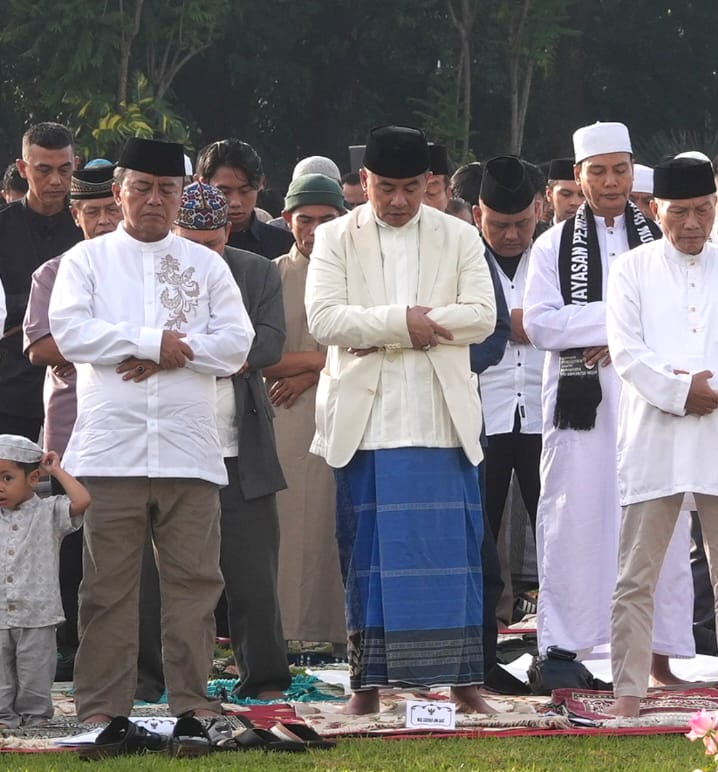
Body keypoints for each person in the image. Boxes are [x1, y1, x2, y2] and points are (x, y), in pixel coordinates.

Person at [49, 137, 254, 722]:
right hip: (111, 450)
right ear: (118, 193)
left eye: (167, 190)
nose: (154, 201)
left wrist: (173, 354)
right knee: (107, 589)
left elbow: (237, 346)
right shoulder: (85, 261)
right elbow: (71, 334)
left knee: (195, 586)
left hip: (189, 450)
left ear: (183, 196)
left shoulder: (205, 264)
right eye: (142, 188)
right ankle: (100, 710)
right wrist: (148, 341)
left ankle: (192, 704)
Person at [305, 125, 497, 715]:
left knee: (454, 557)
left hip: (441, 419)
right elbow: (325, 321)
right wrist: (404, 326)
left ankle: (466, 687)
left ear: (429, 184)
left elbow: (483, 317)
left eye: (411, 188)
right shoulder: (334, 237)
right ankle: (366, 693)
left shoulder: (460, 235)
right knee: (369, 556)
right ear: (363, 182)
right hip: (366, 424)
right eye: (385, 187)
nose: (397, 200)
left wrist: (387, 330)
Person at [523, 122, 695, 674]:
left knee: (658, 523)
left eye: (620, 169)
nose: (611, 181)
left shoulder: (662, 240)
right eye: (597, 171)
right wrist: (620, 329)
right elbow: (543, 325)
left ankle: (660, 655)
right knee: (577, 518)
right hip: (584, 406)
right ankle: (571, 645)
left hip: (650, 399)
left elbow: (681, 313)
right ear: (579, 177)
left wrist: (615, 339)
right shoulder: (552, 245)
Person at [605, 156, 718, 717]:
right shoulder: (631, 269)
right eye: (680, 212)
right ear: (656, 211)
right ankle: (628, 688)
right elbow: (628, 353)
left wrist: (713, 387)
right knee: (637, 573)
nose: (693, 224)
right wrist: (681, 394)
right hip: (655, 436)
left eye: (703, 210)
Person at [164, 181, 290, 700]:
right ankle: (159, 681)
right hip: (170, 449)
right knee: (167, 581)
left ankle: (263, 681)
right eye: (191, 244)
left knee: (254, 577)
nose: (203, 257)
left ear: (229, 233)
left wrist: (188, 355)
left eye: (213, 245)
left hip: (242, 448)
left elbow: (267, 343)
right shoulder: (154, 272)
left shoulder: (257, 270)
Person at [22, 164, 122, 675]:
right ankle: (68, 650)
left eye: (112, 209)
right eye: (93, 211)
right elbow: (41, 346)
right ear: (76, 215)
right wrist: (124, 341)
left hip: (130, 428)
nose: (104, 220)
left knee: (124, 548)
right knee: (70, 541)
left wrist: (88, 340)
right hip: (70, 430)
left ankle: (117, 650)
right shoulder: (53, 272)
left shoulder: (140, 271)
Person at [268, 174, 347, 646]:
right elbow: (253, 354)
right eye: (306, 220)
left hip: (347, 411)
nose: (315, 230)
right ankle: (290, 635)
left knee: (335, 527)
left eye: (326, 220)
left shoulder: (359, 273)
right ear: (287, 221)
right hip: (286, 418)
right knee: (289, 527)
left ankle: (339, 633)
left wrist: (312, 368)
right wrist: (320, 362)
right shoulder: (270, 274)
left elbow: (374, 342)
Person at [473, 157, 545, 627]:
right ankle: (479, 639)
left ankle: (562, 636)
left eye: (521, 223)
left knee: (555, 531)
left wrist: (531, 324)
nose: (512, 235)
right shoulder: (463, 260)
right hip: (483, 413)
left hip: (546, 412)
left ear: (539, 210)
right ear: (479, 215)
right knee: (480, 532)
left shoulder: (558, 257)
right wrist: (508, 325)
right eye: (499, 225)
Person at [0, 123, 82, 441]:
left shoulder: (88, 227)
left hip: (76, 380)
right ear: (23, 168)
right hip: (10, 382)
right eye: (44, 170)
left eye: (64, 170)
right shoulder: (4, 226)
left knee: (74, 486)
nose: (56, 181)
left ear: (75, 165)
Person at [0, 436, 89, 728]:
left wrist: (57, 471)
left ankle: (35, 720)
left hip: (38, 616)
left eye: (7, 478)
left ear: (33, 478)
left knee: (34, 676)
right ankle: (5, 719)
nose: (0, 486)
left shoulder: (49, 512)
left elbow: (82, 500)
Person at [197, 138, 295, 259]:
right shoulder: (188, 244)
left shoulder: (284, 246)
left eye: (245, 191)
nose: (235, 202)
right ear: (202, 184)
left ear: (260, 183)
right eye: (224, 191)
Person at [543, 158, 584, 223]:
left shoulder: (603, 232)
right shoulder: (541, 233)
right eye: (566, 194)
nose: (575, 202)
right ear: (549, 194)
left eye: (582, 195)